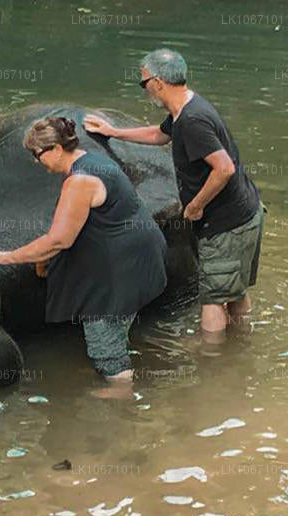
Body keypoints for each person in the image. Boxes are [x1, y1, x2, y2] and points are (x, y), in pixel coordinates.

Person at [85, 47, 262, 340]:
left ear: (157, 82)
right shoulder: (186, 110)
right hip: (246, 213)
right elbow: (159, 134)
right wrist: (113, 132)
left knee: (213, 297)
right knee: (234, 288)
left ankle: (214, 362)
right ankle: (242, 344)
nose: (144, 90)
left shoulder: (192, 121)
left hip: (226, 224)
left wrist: (195, 206)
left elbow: (224, 168)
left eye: (143, 83)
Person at [0, 116, 168, 384]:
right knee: (116, 329)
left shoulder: (80, 181)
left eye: (37, 154)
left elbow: (59, 240)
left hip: (122, 271)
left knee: (105, 346)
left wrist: (7, 257)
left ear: (56, 149)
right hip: (144, 255)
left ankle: (118, 399)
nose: (36, 161)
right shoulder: (93, 160)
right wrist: (42, 264)